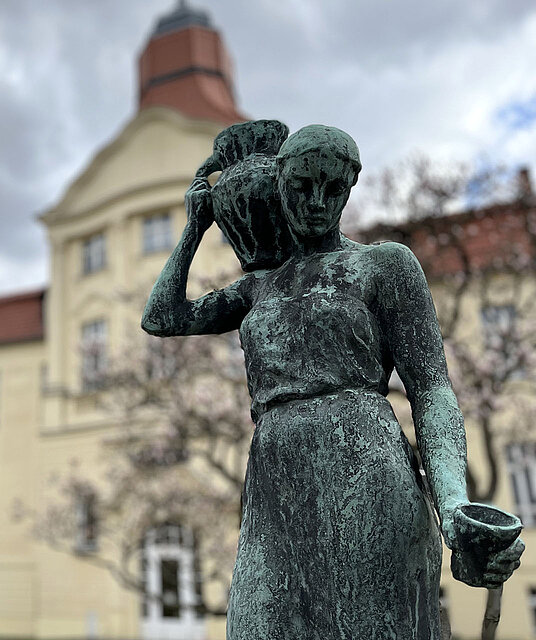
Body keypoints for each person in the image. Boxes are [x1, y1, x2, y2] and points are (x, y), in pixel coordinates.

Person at [141, 123, 524, 638]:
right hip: (275, 479)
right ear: (279, 181)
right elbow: (162, 317)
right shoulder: (258, 286)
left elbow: (431, 389)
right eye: (301, 186)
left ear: (350, 188)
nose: (317, 202)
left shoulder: (382, 266)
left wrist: (453, 503)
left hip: (366, 470)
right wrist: (194, 228)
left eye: (333, 188)